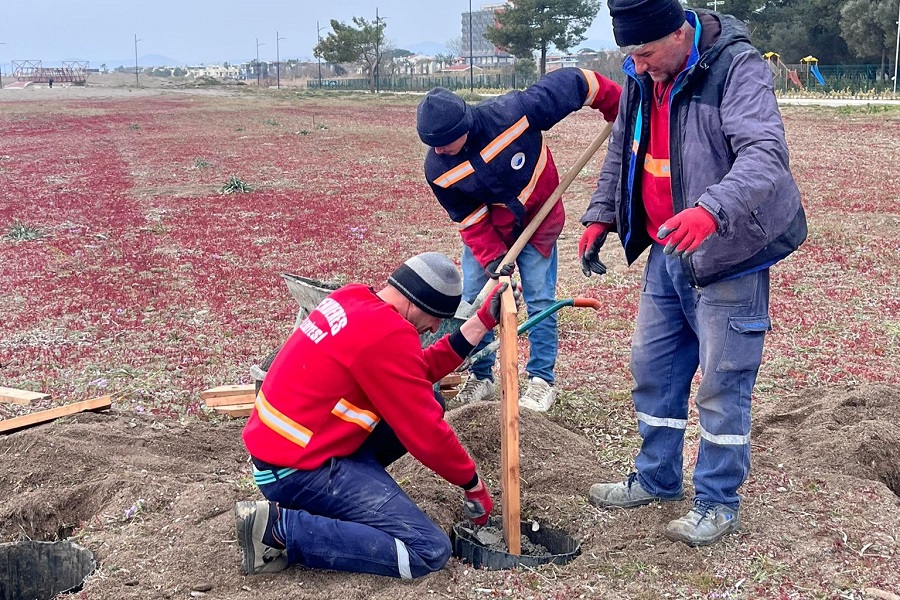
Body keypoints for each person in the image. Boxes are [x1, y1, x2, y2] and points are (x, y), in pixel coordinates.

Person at [579, 0, 807, 546]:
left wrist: (711, 210)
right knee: (653, 367)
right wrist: (602, 212)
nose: (639, 64)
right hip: (667, 248)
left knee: (723, 381)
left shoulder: (736, 67)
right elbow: (623, 150)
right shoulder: (641, 72)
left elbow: (765, 156)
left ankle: (717, 501)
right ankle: (657, 477)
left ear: (681, 34)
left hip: (729, 249)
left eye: (648, 52)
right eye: (631, 54)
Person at [236, 252, 511, 578]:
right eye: (436, 318)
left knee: (431, 398)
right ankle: (279, 530)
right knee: (427, 550)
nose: (435, 328)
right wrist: (473, 484)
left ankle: (340, 501)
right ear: (416, 303)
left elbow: (414, 373)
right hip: (294, 471)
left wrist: (479, 323)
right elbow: (426, 433)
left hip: (288, 449)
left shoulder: (353, 298)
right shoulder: (387, 335)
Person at [417, 68, 622, 412]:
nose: (438, 149)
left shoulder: (513, 114)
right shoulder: (439, 169)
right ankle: (481, 378)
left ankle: (541, 380)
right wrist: (495, 262)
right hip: (489, 231)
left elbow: (578, 83)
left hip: (539, 220)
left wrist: (618, 106)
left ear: (462, 126)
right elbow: (469, 219)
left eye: (443, 141)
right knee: (475, 300)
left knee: (540, 300)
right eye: (432, 144)